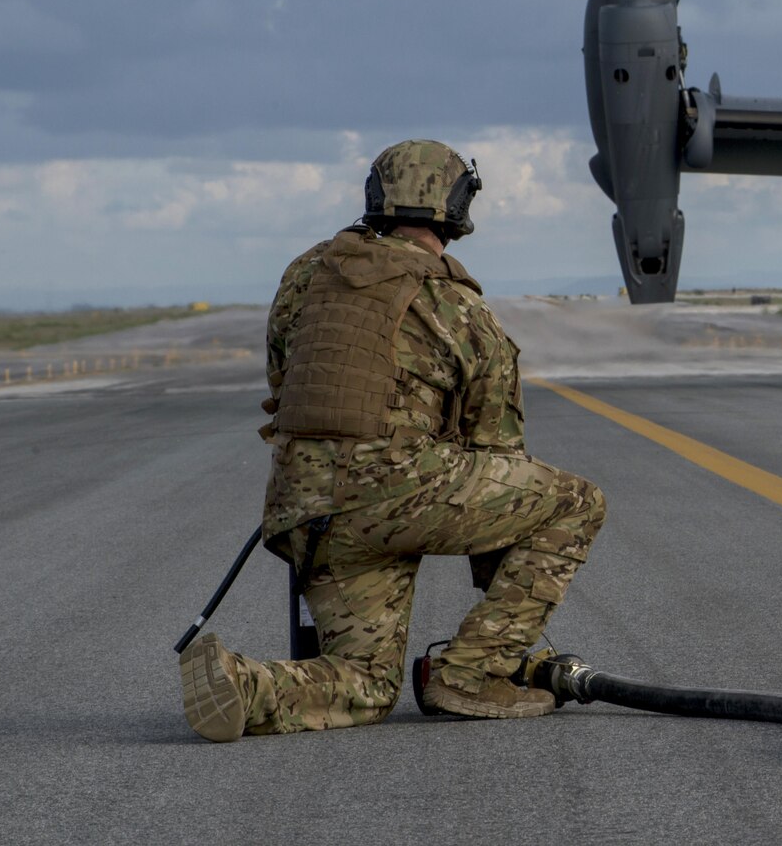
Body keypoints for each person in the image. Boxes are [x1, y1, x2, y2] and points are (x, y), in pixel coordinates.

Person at [179, 140, 605, 741]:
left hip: (305, 510)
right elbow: (496, 448)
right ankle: (470, 675)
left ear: (376, 200)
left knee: (366, 683)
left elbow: (285, 376)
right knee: (577, 503)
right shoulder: (459, 304)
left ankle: (243, 685)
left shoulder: (307, 275)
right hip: (399, 493)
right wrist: (499, 607)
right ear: (457, 208)